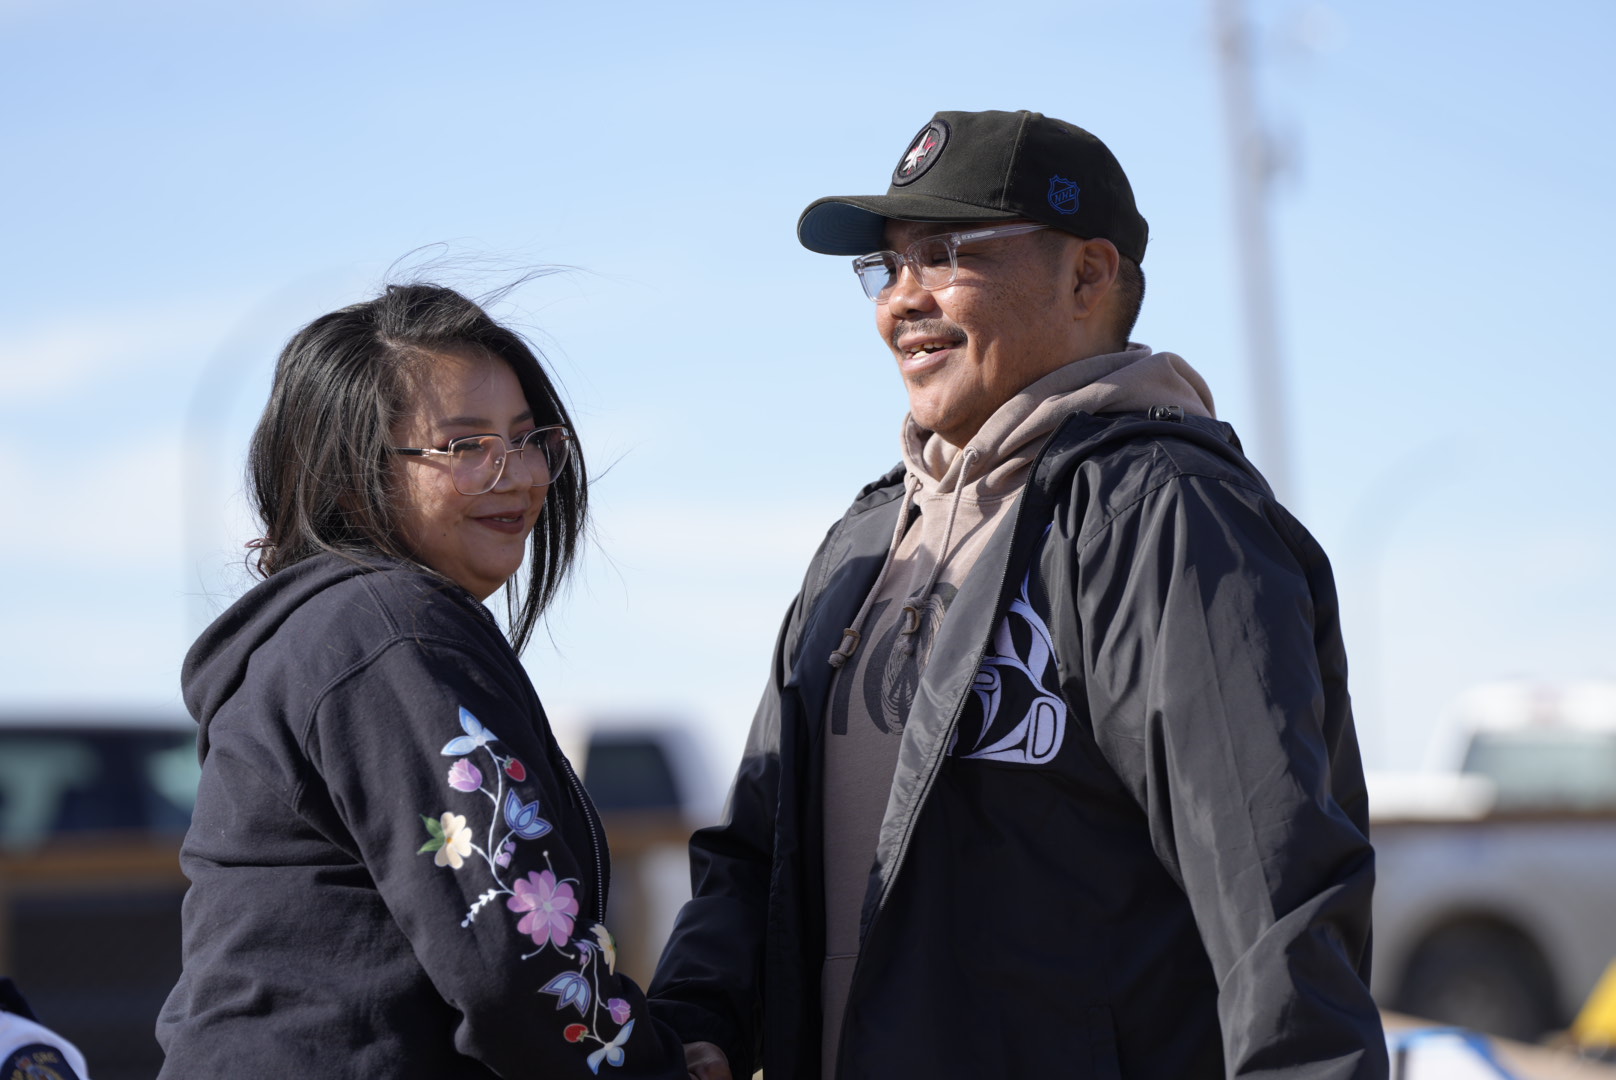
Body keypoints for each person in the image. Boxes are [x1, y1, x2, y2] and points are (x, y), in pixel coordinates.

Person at [648, 110, 1387, 1079]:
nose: (899, 300)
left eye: (944, 255)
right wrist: (691, 1023)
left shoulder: (1165, 518)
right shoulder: (860, 546)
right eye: (885, 266)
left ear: (1087, 275)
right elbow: (757, 853)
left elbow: (1276, 891)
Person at [157, 284, 688, 1078]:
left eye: (526, 438)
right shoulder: (390, 635)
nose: (518, 475)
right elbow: (517, 967)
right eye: (465, 446)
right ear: (348, 477)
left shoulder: (345, 629)